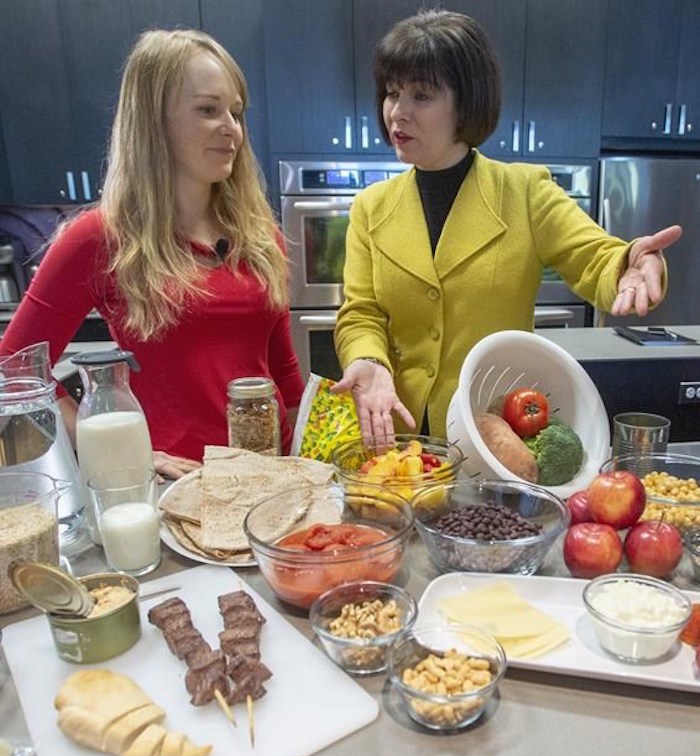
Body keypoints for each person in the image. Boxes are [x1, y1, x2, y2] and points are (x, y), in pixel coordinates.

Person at [332, 9, 682, 446]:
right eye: (391, 93)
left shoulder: (523, 191)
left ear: (467, 102)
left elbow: (596, 257)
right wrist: (368, 359)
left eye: (421, 96)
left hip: (497, 433)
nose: (397, 113)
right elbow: (361, 312)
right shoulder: (371, 207)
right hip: (397, 433)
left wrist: (630, 262)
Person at [0, 29, 305, 478]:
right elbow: (13, 367)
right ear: (153, 120)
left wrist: (306, 455)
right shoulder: (99, 238)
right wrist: (114, 449)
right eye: (208, 110)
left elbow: (282, 368)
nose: (232, 129)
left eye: (236, 113)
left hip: (268, 475)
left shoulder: (260, 238)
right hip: (169, 485)